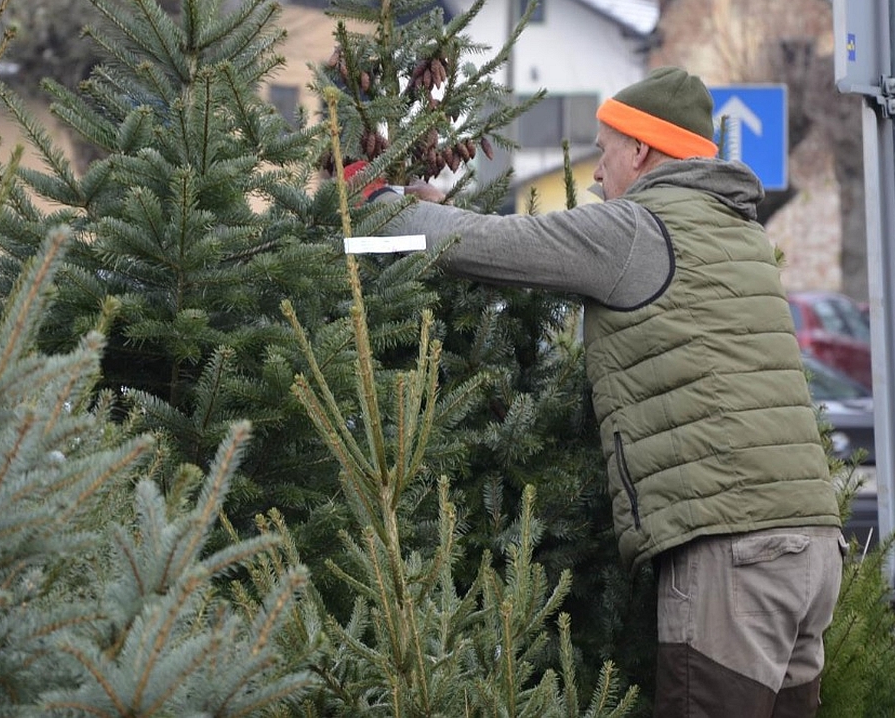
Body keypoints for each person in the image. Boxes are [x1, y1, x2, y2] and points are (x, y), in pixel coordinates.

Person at [356, 66, 845, 717]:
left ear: (641, 149)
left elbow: (486, 244)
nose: (594, 172)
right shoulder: (740, 234)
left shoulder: (636, 230)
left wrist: (377, 202)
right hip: (811, 547)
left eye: (604, 149)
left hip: (733, 554)